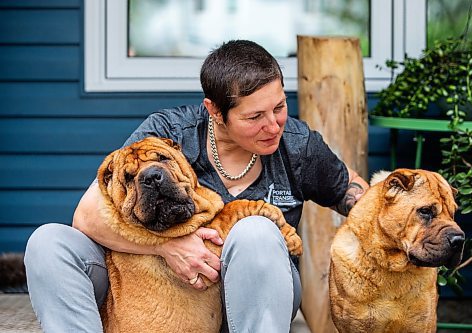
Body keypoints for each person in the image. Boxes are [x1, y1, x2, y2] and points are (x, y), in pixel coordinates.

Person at [24, 40, 369, 332]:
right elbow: (86, 217)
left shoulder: (298, 145)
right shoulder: (168, 133)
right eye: (254, 117)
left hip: (256, 296)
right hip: (157, 294)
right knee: (49, 243)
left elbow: (353, 193)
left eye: (279, 107)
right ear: (215, 111)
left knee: (256, 232)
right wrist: (166, 247)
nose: (273, 125)